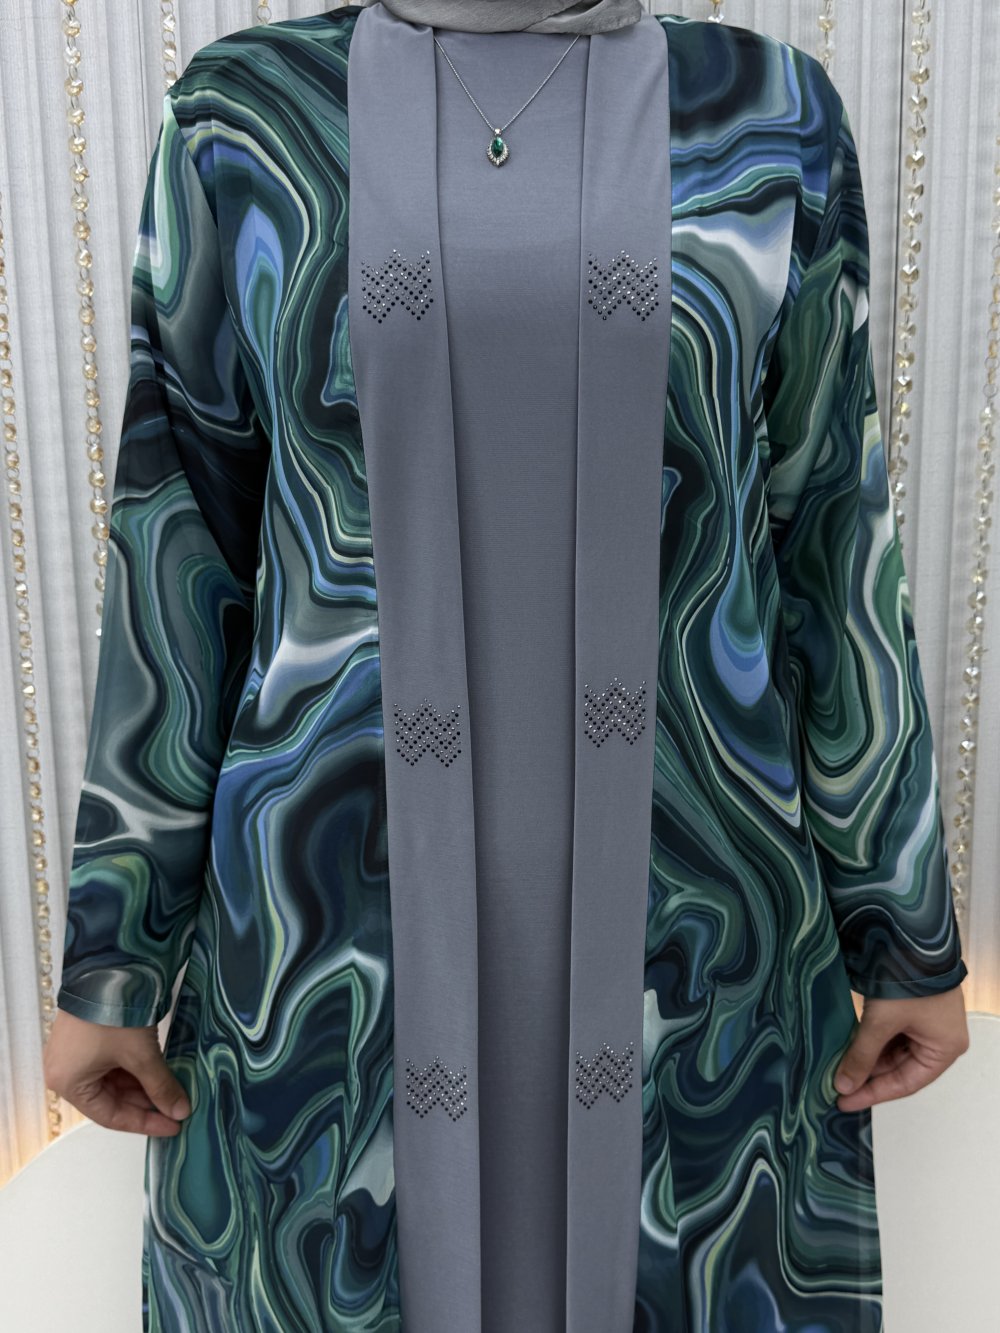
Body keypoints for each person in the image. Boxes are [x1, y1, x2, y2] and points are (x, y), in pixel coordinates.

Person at [45, 2, 969, 1329]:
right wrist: (113, 956)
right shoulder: (247, 117)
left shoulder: (769, 117)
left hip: (694, 942)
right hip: (332, 950)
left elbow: (833, 538)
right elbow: (177, 550)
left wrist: (906, 928)